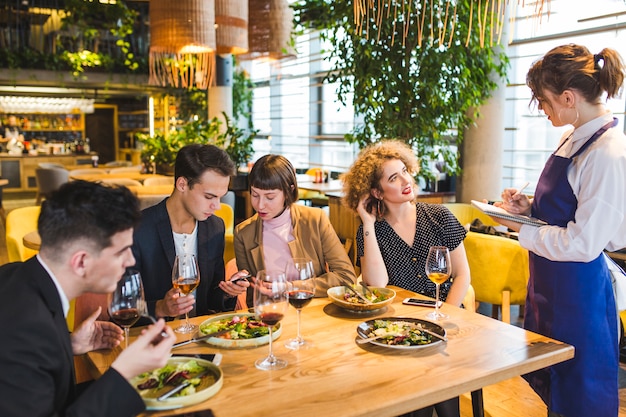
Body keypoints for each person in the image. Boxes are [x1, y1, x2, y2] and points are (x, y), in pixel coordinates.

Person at [493, 44, 626, 417]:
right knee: (551, 387)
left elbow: (584, 243)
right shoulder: (574, 135)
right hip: (548, 285)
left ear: (568, 97)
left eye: (544, 101)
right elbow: (568, 210)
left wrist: (521, 230)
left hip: (579, 295)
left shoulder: (609, 152)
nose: (543, 110)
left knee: (579, 395)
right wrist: (530, 208)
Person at [0, 180, 176, 417]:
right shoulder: (26, 329)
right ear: (81, 262)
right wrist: (125, 374)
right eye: (121, 251)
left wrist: (70, 344)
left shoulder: (15, 275)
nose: (130, 261)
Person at [341, 140, 471, 417]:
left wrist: (442, 314)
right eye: (393, 177)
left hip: (444, 322)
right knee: (416, 403)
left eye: (404, 171)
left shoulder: (439, 216)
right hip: (398, 328)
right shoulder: (372, 230)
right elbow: (376, 285)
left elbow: (462, 275)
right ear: (377, 191)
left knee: (443, 389)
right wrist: (367, 223)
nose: (405, 180)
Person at [132, 144, 249, 324]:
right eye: (209, 197)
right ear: (182, 184)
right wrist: (161, 307)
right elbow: (123, 307)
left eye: (221, 197)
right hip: (152, 341)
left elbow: (210, 301)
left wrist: (227, 292)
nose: (217, 206)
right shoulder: (137, 229)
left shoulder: (215, 228)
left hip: (199, 338)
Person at [234, 154, 356, 306]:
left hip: (311, 310)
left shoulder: (315, 220)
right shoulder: (243, 233)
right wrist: (235, 287)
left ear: (288, 191)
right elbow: (252, 296)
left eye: (270, 197)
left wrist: (291, 287)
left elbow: (346, 278)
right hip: (272, 316)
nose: (260, 205)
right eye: (255, 195)